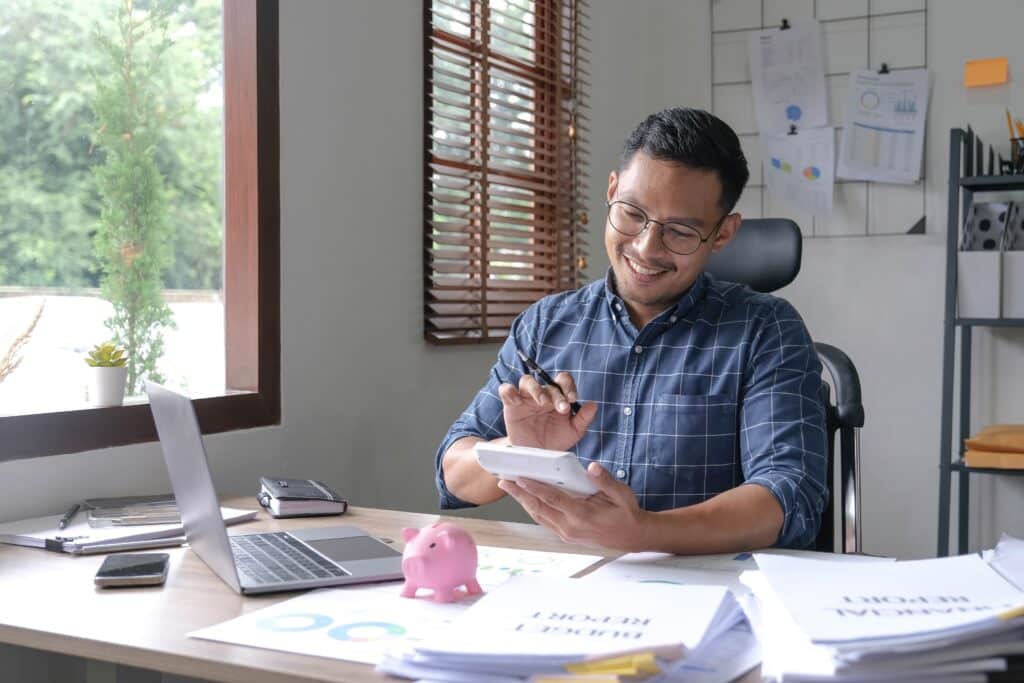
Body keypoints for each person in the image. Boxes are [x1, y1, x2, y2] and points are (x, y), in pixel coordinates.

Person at [434, 107, 828, 554]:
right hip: (574, 588)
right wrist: (520, 449)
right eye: (633, 213)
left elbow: (791, 496)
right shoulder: (547, 325)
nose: (645, 247)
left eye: (680, 231)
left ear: (722, 235)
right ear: (612, 190)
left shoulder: (765, 330)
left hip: (708, 590)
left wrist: (645, 531)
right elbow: (454, 475)